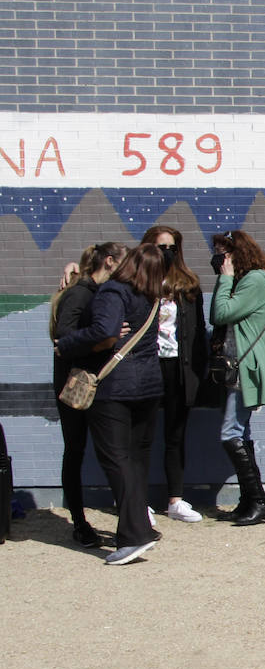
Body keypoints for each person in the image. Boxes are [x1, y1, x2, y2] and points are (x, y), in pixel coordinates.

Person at [54, 243, 165, 565]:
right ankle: (141, 528)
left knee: (116, 460)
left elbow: (104, 330)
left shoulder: (114, 291)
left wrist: (66, 344)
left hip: (116, 387)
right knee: (133, 461)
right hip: (149, 385)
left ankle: (135, 536)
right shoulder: (150, 293)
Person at [50, 241, 127, 547]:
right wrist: (103, 338)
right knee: (76, 450)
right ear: (109, 261)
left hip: (92, 381)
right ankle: (80, 523)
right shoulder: (81, 293)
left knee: (103, 450)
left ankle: (128, 518)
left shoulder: (96, 292)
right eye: (122, 263)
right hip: (76, 385)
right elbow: (63, 337)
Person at [209, 230, 265, 526]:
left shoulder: (254, 281)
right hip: (237, 366)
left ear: (237, 253)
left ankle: (260, 501)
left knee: (230, 433)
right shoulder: (246, 281)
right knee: (242, 433)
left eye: (222, 253)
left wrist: (225, 278)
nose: (218, 259)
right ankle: (250, 499)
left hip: (244, 369)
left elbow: (220, 312)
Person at [141, 225, 208, 523]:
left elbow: (198, 330)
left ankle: (175, 500)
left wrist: (199, 369)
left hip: (178, 368)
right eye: (160, 247)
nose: (166, 253)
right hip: (146, 365)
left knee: (175, 435)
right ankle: (137, 502)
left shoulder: (188, 284)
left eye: (171, 248)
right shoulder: (139, 282)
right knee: (141, 437)